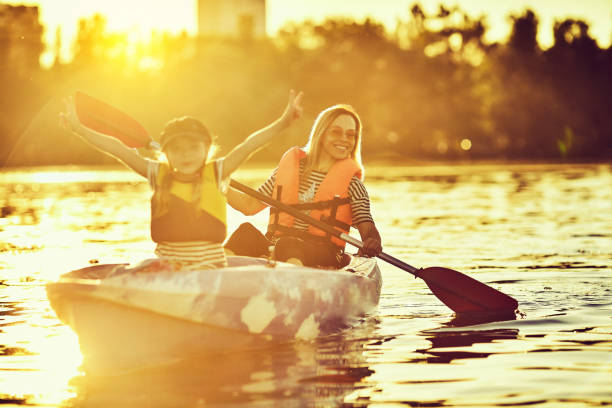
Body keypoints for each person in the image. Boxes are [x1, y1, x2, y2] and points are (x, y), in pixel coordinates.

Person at [60, 90, 303, 271]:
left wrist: (283, 122)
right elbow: (118, 149)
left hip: (210, 273)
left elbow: (250, 145)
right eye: (177, 148)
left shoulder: (218, 172)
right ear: (165, 153)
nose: (185, 154)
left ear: (206, 149)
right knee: (143, 268)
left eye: (192, 147)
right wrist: (80, 129)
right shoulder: (157, 173)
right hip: (168, 271)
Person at [224, 103, 382, 268]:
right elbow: (248, 205)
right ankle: (213, 276)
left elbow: (368, 228)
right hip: (279, 247)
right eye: (336, 132)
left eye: (351, 135)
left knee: (288, 244)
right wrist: (218, 184)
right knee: (245, 233)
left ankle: (290, 281)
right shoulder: (288, 171)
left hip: (324, 254)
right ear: (321, 134)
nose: (344, 139)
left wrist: (372, 241)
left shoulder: (353, 185)